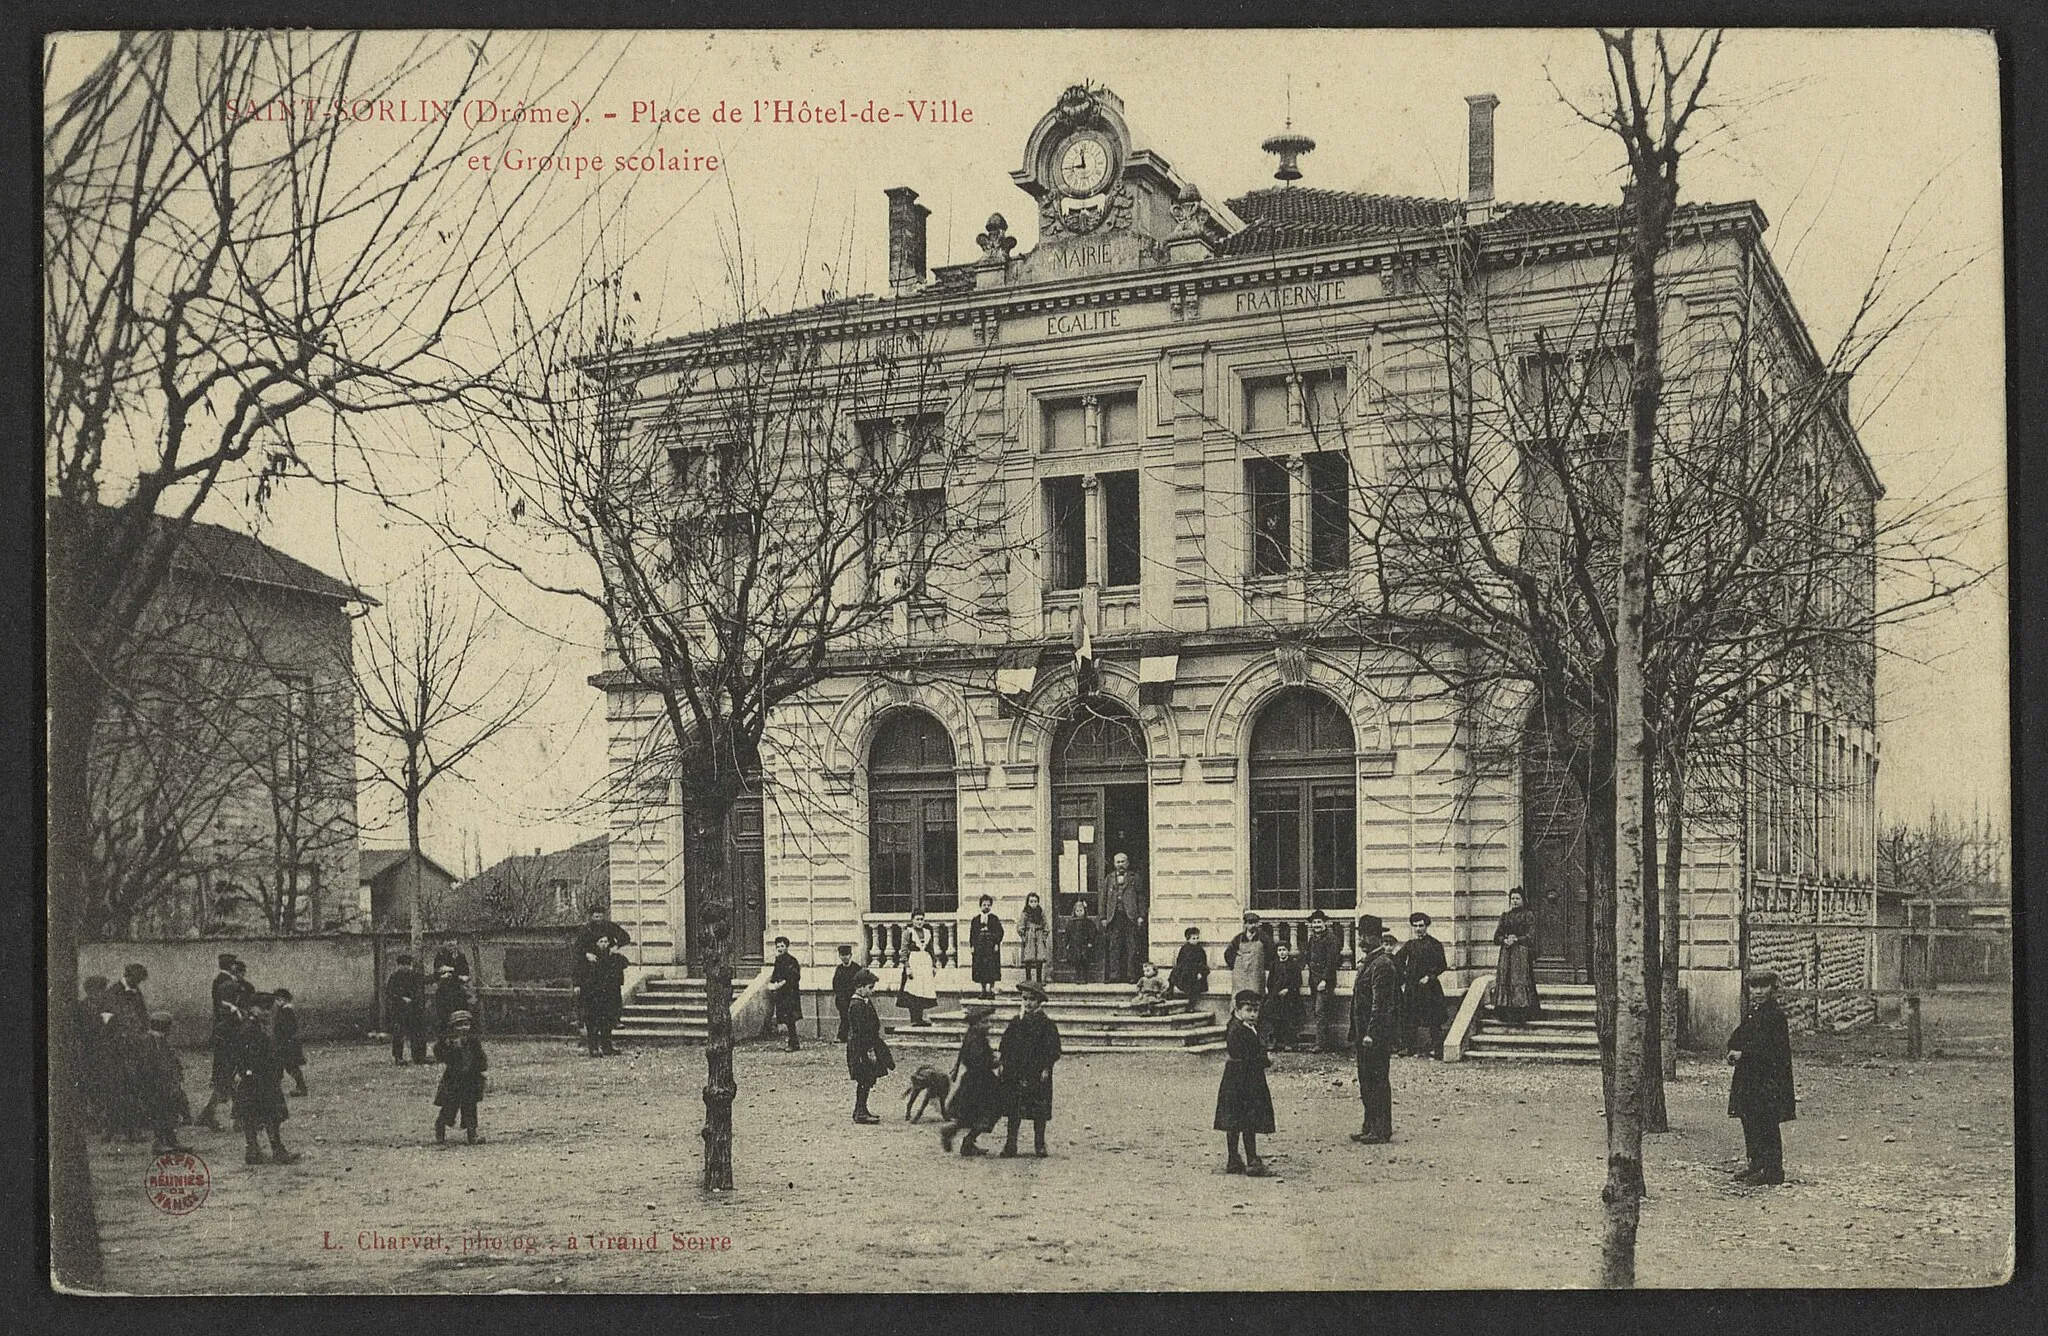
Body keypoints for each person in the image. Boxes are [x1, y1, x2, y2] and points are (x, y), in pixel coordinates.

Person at [1726, 970, 1797, 1186]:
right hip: (1750, 1078)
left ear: (1773, 988)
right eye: (1753, 987)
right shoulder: (1753, 1013)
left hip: (1768, 1079)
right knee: (1750, 1119)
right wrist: (1733, 1048)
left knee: (1767, 1122)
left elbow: (1770, 1049)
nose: (1758, 992)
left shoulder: (1775, 1017)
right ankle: (1756, 1163)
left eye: (1763, 987)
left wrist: (1744, 1054)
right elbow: (1740, 1035)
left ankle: (1774, 1170)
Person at [231, 993, 300, 1165]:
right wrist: (248, 1072)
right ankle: (269, 1151)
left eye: (269, 1008)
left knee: (261, 1115)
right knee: (266, 1115)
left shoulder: (258, 1025)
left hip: (262, 1077)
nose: (267, 1011)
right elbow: (246, 1054)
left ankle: (258, 1151)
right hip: (258, 1078)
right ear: (252, 1007)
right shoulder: (249, 1028)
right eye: (263, 1008)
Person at [1214, 990, 1275, 1176]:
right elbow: (1245, 1056)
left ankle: (1234, 1159)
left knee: (1236, 1120)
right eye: (1249, 1010)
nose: (1253, 1015)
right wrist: (1265, 1060)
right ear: (1238, 1010)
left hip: (1237, 1079)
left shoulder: (1243, 1026)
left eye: (1256, 1010)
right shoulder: (1238, 1030)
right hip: (1245, 1079)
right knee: (1247, 1120)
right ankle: (1251, 1160)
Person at [1349, 916, 1398, 1145]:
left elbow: (1381, 1004)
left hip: (1374, 1035)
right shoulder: (1370, 962)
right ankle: (1369, 1125)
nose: (1360, 939)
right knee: (1366, 1079)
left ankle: (1381, 1128)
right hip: (1363, 1033)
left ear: (1375, 937)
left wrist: (1371, 1033)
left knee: (1377, 1079)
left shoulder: (1383, 964)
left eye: (1364, 935)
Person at [1000, 981, 1063, 1157]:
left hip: (1037, 1073)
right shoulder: (1016, 1022)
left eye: (1032, 1000)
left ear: (1039, 1002)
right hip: (1017, 1072)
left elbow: (1053, 1049)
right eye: (1025, 999)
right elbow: (1005, 1044)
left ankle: (1039, 1144)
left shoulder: (1046, 1024)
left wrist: (1046, 1067)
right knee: (1015, 1110)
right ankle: (1010, 1144)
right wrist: (1004, 1063)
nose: (1028, 1003)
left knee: (1039, 1110)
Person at [938, 1005, 1002, 1157]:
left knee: (970, 1114)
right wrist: (996, 1062)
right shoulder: (976, 1041)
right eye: (985, 1022)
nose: (989, 1025)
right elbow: (979, 1062)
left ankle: (961, 1137)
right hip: (981, 1082)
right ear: (975, 1024)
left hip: (972, 1081)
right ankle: (961, 1136)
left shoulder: (973, 1036)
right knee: (990, 1112)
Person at [196, 953, 250, 1130]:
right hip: (231, 1042)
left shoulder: (225, 986)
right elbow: (229, 1017)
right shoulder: (226, 992)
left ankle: (212, 1115)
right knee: (233, 1078)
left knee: (228, 1080)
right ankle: (237, 1118)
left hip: (229, 1041)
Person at [1396, 912, 1450, 1059]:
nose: (1418, 929)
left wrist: (1429, 977)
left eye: (1421, 926)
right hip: (1413, 987)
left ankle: (1435, 1049)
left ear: (1426, 926)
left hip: (1430, 987)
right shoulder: (1410, 945)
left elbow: (1442, 965)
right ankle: (1409, 1047)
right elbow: (1397, 961)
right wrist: (1405, 976)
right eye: (1416, 926)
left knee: (1434, 1019)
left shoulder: (1434, 944)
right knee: (1409, 1017)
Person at [432, 1010, 489, 1145]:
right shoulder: (449, 1042)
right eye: (459, 1025)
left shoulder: (473, 1041)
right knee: (449, 1106)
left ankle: (472, 1134)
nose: (463, 1028)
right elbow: (440, 1055)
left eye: (466, 1024)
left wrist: (482, 1069)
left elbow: (480, 1057)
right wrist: (446, 1045)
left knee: (470, 1107)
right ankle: (441, 1126)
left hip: (470, 1079)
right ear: (452, 1027)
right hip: (454, 1080)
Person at [139, 1012, 193, 1155]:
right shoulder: (149, 1042)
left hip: (167, 1083)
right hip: (156, 1085)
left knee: (171, 1112)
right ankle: (159, 1142)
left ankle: (171, 1139)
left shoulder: (160, 1041)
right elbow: (147, 1066)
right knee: (160, 1113)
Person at [844, 970, 893, 1124]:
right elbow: (860, 1031)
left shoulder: (864, 1001)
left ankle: (862, 1109)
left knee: (868, 1078)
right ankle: (859, 1111)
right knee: (864, 1078)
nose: (873, 990)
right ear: (860, 987)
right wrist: (869, 1051)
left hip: (867, 1045)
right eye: (870, 987)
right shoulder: (856, 1005)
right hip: (861, 1048)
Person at [1492, 888, 1543, 1025]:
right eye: (1512, 899)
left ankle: (1522, 1011)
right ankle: (1506, 1010)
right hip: (1506, 954)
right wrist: (1504, 940)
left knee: (1519, 980)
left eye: (1517, 898)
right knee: (1506, 979)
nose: (1514, 901)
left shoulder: (1528, 915)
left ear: (1523, 900)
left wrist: (1517, 939)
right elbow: (1496, 937)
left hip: (1520, 954)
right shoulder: (1505, 916)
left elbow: (1531, 937)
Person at [1101, 851, 1145, 983]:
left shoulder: (1134, 878)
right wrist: (1103, 917)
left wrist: (1141, 915)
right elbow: (1103, 899)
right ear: (1114, 864)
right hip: (1114, 917)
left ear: (1128, 863)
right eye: (1118, 862)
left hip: (1130, 916)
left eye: (1123, 862)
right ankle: (1114, 975)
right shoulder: (1109, 878)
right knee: (1114, 946)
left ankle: (1131, 976)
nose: (1120, 864)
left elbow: (1141, 898)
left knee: (1131, 946)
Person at [1304, 911, 1344, 1052]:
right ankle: (1322, 1042)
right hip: (1314, 979)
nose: (1316, 925)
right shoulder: (1312, 939)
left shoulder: (1331, 939)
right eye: (1314, 922)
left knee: (1321, 1010)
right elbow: (1308, 956)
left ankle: (1321, 1044)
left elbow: (1332, 962)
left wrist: (1325, 980)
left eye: (1319, 922)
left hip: (1324, 981)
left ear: (1324, 923)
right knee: (1317, 1010)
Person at [384, 953, 428, 1065]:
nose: (405, 967)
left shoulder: (415, 976)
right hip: (399, 1010)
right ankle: (398, 1057)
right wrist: (401, 998)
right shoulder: (394, 977)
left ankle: (419, 1057)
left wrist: (414, 1001)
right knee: (398, 1033)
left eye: (408, 965)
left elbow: (419, 991)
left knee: (417, 1033)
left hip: (414, 1009)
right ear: (398, 966)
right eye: (403, 965)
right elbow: (390, 993)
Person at [897, 912, 940, 1026]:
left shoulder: (927, 932)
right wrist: (907, 967)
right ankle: (914, 1018)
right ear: (912, 920)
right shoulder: (908, 932)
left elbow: (931, 950)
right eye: (917, 919)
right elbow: (904, 950)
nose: (919, 922)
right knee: (912, 990)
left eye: (921, 919)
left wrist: (934, 965)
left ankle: (920, 1018)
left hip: (925, 963)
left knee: (923, 989)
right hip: (913, 962)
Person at [589, 936, 628, 1056]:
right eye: (601, 942)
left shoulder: (614, 957)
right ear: (596, 944)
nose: (604, 944)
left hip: (611, 993)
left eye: (606, 942)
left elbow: (626, 963)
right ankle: (594, 1048)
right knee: (594, 1021)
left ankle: (607, 1046)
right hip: (596, 992)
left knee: (608, 1020)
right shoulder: (592, 957)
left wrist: (616, 952)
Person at [1223, 912, 1270, 1003]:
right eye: (1250, 923)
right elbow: (1228, 953)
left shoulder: (1263, 937)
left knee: (1256, 997)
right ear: (1245, 924)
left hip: (1256, 975)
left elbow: (1271, 952)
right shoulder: (1238, 938)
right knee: (1240, 997)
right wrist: (1236, 966)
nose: (1253, 925)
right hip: (1240, 976)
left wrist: (1262, 965)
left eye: (1255, 923)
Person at [765, 936, 803, 1050]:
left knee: (790, 1019)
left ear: (787, 947)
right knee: (786, 1020)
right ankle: (793, 1042)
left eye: (782, 946)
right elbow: (776, 973)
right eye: (778, 947)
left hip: (790, 994)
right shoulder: (778, 960)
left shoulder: (792, 960)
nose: (780, 948)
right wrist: (772, 983)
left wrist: (782, 983)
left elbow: (795, 976)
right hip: (781, 994)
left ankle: (794, 1043)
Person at [272, 987, 308, 1096]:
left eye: (278, 999)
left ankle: (275, 1090)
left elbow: (286, 1029)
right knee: (289, 1067)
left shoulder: (285, 1012)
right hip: (288, 1043)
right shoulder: (287, 1011)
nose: (277, 1002)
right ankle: (301, 1087)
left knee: (281, 1067)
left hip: (285, 1044)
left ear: (284, 999)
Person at [968, 895, 1005, 998]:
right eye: (984, 905)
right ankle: (983, 990)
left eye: (988, 905)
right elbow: (972, 934)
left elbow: (1000, 932)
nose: (986, 907)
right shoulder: (976, 919)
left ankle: (990, 990)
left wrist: (996, 943)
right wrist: (972, 946)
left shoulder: (994, 919)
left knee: (991, 968)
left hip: (991, 948)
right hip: (980, 948)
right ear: (980, 906)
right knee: (981, 968)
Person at [1062, 898, 1101, 984]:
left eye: (1081, 910)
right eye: (1077, 911)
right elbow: (1067, 933)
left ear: (1084, 911)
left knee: (1084, 960)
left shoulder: (1088, 922)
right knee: (1076, 960)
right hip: (1075, 945)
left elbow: (1093, 932)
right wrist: (1067, 943)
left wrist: (1090, 941)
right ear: (1074, 912)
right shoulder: (1071, 923)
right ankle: (1078, 977)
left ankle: (1085, 977)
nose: (1079, 912)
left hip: (1084, 944)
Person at [1169, 926, 1211, 1005]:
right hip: (1185, 972)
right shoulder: (1184, 949)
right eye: (1193, 938)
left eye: (1197, 938)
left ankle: (1191, 1004)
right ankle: (1170, 992)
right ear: (1188, 939)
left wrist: (1201, 973)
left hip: (1196, 973)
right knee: (1173, 975)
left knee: (1194, 985)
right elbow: (1180, 961)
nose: (1196, 940)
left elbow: (1203, 963)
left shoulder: (1200, 950)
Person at [831, 945, 861, 1043]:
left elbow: (860, 983)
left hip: (854, 998)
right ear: (839, 956)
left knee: (856, 1018)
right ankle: (842, 1036)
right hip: (842, 999)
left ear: (851, 955)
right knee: (844, 1017)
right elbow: (835, 983)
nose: (845, 957)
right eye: (842, 955)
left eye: (846, 955)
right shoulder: (839, 969)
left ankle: (857, 1037)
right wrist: (840, 996)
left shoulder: (856, 968)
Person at [1018, 891, 1050, 983]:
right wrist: (1024, 936)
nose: (1033, 904)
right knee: (1028, 958)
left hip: (1039, 936)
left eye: (1035, 901)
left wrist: (1044, 937)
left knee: (1039, 958)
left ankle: (1039, 980)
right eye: (1031, 901)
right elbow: (1020, 926)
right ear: (1028, 902)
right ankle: (1029, 980)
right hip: (1029, 937)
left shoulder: (1041, 913)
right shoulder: (1025, 913)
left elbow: (1046, 926)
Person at [431, 964, 471, 1037]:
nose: (448, 975)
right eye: (446, 973)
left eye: (450, 972)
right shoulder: (440, 991)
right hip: (444, 1002)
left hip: (455, 1000)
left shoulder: (460, 990)